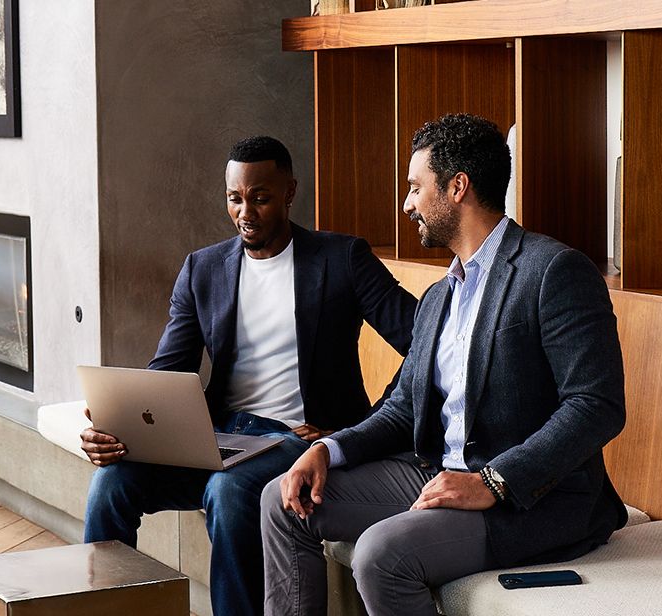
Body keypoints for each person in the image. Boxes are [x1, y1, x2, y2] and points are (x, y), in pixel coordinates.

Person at [261, 114, 628, 616]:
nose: (407, 204)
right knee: (282, 503)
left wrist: (492, 481)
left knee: (381, 554)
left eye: (415, 188)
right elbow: (403, 407)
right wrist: (329, 448)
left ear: (458, 187)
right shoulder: (438, 296)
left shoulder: (554, 271)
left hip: (532, 497)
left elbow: (596, 405)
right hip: (436, 471)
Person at [79, 136, 418, 616]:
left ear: (289, 192)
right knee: (111, 483)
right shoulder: (203, 269)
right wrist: (120, 425)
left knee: (230, 491)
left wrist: (363, 428)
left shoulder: (342, 259)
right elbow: (168, 372)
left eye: (260, 197)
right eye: (235, 198)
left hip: (296, 439)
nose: (246, 212)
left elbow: (425, 342)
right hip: (217, 436)